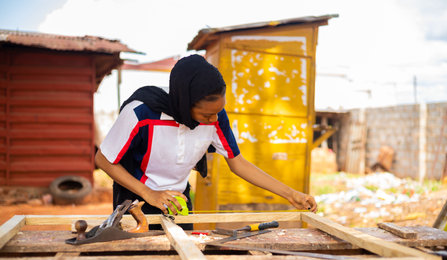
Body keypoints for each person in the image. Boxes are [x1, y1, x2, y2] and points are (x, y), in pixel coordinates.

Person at [95, 54, 317, 229]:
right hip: (136, 203)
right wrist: (149, 194)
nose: (214, 120)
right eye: (206, 115)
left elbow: (238, 163)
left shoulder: (216, 117)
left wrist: (291, 194)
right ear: (184, 103)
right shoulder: (142, 113)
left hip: (178, 202)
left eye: (217, 113)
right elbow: (103, 159)